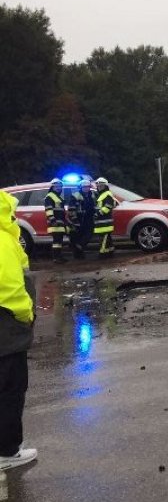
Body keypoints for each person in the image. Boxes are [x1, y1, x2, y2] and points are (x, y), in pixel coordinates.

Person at [0, 190, 38, 471]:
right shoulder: (3, 241)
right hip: (6, 325)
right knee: (11, 388)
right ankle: (7, 451)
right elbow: (10, 288)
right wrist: (26, 314)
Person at [66, 179, 95, 259]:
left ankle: (79, 248)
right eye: (84, 187)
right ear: (81, 187)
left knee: (88, 235)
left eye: (87, 187)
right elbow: (71, 209)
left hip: (89, 218)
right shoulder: (76, 196)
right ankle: (78, 255)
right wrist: (75, 220)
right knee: (78, 237)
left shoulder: (92, 195)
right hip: (79, 219)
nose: (86, 188)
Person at [44, 177, 68, 263]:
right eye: (56, 186)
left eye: (60, 186)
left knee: (59, 241)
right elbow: (48, 209)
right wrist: (52, 220)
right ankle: (56, 258)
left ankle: (59, 256)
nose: (59, 188)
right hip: (55, 223)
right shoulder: (50, 197)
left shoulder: (57, 197)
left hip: (59, 223)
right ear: (52, 187)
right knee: (57, 241)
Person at [94, 177, 117, 257]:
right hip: (102, 221)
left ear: (105, 186)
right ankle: (110, 251)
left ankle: (103, 253)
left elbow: (108, 206)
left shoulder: (107, 194)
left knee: (103, 239)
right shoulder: (101, 194)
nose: (99, 187)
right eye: (98, 185)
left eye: (101, 185)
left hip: (105, 221)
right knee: (107, 238)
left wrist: (98, 214)